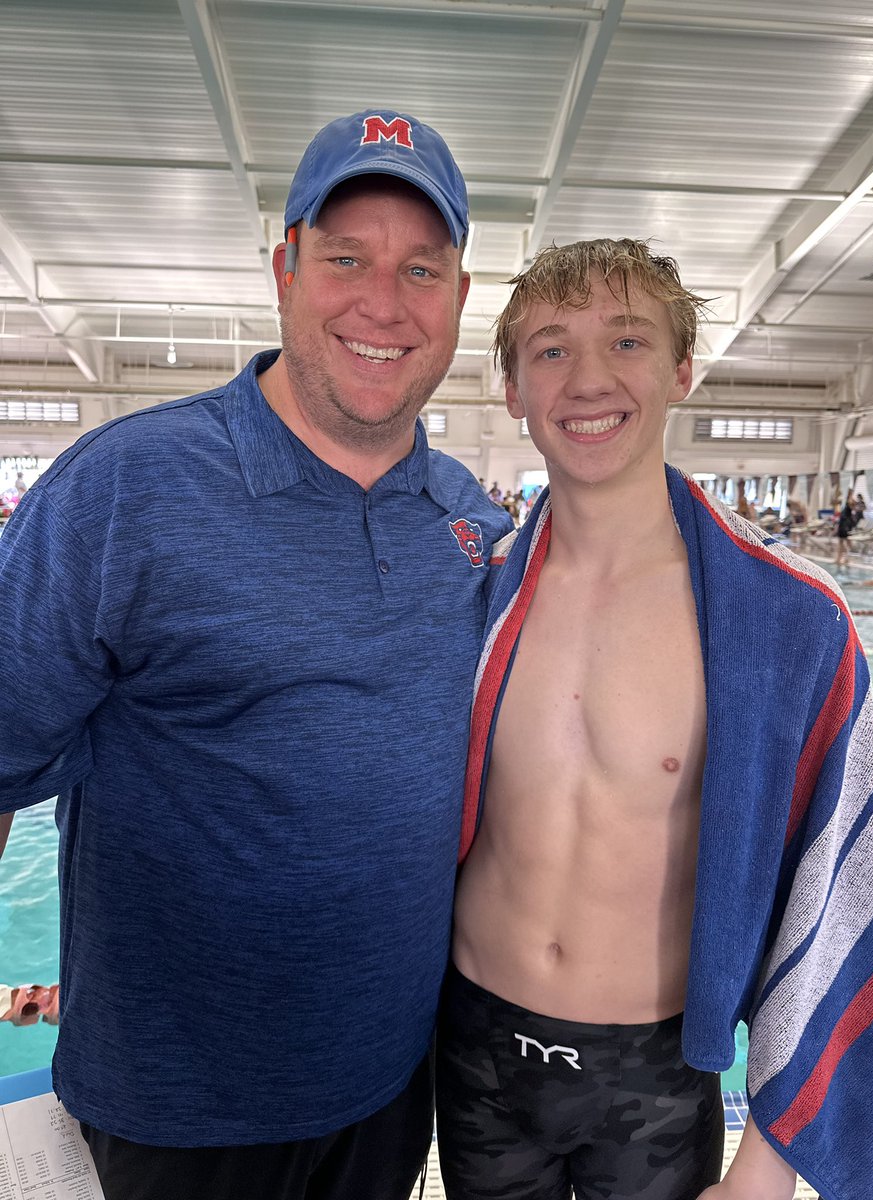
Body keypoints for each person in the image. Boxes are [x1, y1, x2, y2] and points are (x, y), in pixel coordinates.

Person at [0, 109, 513, 1200]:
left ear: (462, 300)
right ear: (284, 265)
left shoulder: (466, 520)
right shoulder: (124, 488)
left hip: (386, 1094)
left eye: (422, 268)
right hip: (180, 1116)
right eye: (346, 258)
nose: (384, 302)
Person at [436, 238, 873, 1200]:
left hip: (650, 1075)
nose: (589, 378)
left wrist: (765, 1167)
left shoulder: (787, 622)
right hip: (473, 1049)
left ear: (684, 369)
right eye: (551, 348)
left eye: (628, 340)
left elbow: (837, 888)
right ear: (512, 388)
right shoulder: (470, 599)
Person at [835, 497, 855, 566]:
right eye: (853, 505)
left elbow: (848, 522)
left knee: (843, 545)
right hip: (844, 531)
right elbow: (846, 522)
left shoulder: (847, 511)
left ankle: (841, 559)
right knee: (844, 545)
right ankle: (842, 559)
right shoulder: (847, 511)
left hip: (844, 530)